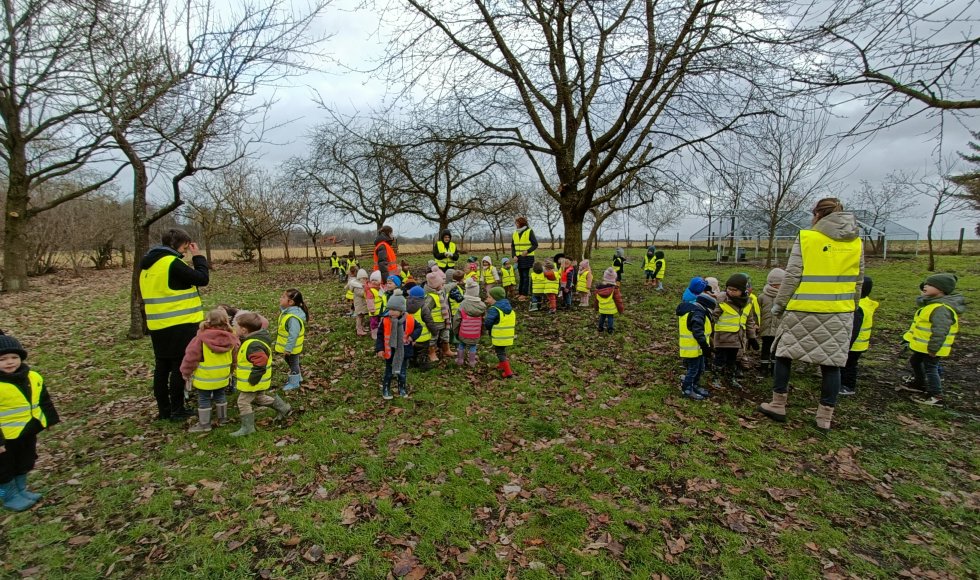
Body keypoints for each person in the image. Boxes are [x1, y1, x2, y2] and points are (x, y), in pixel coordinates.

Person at [758, 198, 864, 432]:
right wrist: (852, 307)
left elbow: (793, 275)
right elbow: (858, 279)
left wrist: (779, 305)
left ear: (817, 214)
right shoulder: (856, 242)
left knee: (784, 354)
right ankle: (824, 416)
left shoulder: (807, 238)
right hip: (840, 310)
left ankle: (778, 403)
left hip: (804, 307)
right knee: (832, 364)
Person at [139, 228, 209, 421]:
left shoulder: (148, 265)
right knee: (179, 366)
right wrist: (198, 257)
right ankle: (177, 409)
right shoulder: (171, 263)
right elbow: (202, 278)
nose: (186, 250)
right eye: (186, 246)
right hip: (180, 324)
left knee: (162, 367)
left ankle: (164, 409)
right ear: (182, 244)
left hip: (157, 324)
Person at [0, 333, 60, 512]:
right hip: (5, 438)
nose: (10, 362)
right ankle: (8, 496)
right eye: (2, 359)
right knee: (4, 468)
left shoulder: (32, 377)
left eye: (14, 357)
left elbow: (44, 400)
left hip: (27, 430)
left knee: (25, 460)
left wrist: (48, 420)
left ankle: (21, 490)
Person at [901, 273, 965, 406]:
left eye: (930, 285)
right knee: (915, 361)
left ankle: (936, 395)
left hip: (932, 348)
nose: (925, 286)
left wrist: (934, 348)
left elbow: (940, 330)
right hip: (922, 347)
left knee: (931, 368)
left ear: (941, 289)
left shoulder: (941, 309)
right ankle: (920, 383)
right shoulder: (931, 304)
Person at [230, 313, 291, 437]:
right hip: (259, 380)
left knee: (243, 402)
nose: (233, 328)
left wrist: (253, 379)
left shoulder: (253, 344)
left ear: (244, 330)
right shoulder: (254, 340)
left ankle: (248, 428)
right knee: (260, 398)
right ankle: (283, 408)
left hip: (253, 381)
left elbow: (261, 362)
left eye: (235, 326)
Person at [180, 308, 239, 432]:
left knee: (204, 399)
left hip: (204, 377)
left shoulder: (200, 339)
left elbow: (191, 357)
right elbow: (235, 358)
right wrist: (232, 370)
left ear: (208, 321)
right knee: (220, 395)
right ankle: (223, 419)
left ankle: (204, 424)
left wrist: (186, 372)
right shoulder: (232, 338)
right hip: (222, 376)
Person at [713, 273, 758, 389]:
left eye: (735, 290)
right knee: (719, 359)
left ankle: (730, 378)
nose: (731, 292)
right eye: (729, 289)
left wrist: (752, 337)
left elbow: (749, 321)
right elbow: (714, 317)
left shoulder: (748, 303)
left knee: (732, 360)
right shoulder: (722, 300)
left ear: (742, 290)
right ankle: (716, 378)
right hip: (722, 337)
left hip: (737, 338)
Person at [375, 292, 422, 399]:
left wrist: (412, 337)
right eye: (390, 309)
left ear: (401, 310)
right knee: (389, 372)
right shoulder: (385, 320)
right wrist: (380, 349)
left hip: (403, 351)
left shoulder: (409, 319)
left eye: (394, 310)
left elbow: (419, 328)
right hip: (389, 351)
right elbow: (380, 335)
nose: (391, 312)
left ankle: (402, 388)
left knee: (402, 372)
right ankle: (386, 388)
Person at [838, 276, 877, 396]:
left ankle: (848, 386)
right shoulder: (866, 303)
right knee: (850, 364)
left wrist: (846, 344)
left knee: (849, 365)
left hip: (853, 344)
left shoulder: (858, 307)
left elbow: (854, 328)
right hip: (859, 343)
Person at [676, 293, 717, 400]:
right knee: (693, 369)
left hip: (697, 348)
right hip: (692, 348)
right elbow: (697, 331)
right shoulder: (698, 314)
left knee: (700, 368)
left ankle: (694, 385)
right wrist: (705, 346)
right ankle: (687, 389)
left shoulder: (697, 311)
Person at [276, 288, 308, 392]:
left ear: (291, 302)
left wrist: (288, 349)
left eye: (283, 297)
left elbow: (293, 335)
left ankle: (294, 383)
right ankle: (298, 377)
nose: (280, 298)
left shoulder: (292, 318)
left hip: (292, 347)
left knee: (293, 363)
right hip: (289, 347)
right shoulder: (288, 313)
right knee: (291, 361)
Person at [453, 278, 487, 368]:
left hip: (463, 331)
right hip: (475, 332)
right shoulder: (482, 306)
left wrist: (455, 331)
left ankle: (460, 360)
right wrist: (482, 332)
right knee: (473, 346)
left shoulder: (463, 304)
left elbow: (457, 319)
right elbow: (484, 320)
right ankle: (472, 361)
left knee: (461, 344)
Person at [758, 268, 786, 375]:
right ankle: (763, 368)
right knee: (765, 348)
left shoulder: (784, 297)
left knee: (777, 350)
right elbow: (757, 312)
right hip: (766, 328)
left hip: (779, 329)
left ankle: (775, 369)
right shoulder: (762, 297)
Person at [485, 286, 516, 378]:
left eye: (489, 297)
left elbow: (488, 322)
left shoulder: (494, 309)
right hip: (508, 335)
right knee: (502, 351)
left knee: (500, 353)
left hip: (499, 336)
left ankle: (508, 372)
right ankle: (501, 365)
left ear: (495, 299)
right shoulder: (508, 307)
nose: (487, 299)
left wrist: (487, 328)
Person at [424, 270, 452, 361]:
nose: (443, 285)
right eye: (441, 284)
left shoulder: (442, 292)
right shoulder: (431, 297)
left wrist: (457, 282)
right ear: (436, 286)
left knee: (445, 335)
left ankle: (446, 349)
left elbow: (449, 286)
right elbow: (426, 310)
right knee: (433, 338)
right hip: (435, 322)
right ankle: (431, 353)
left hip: (445, 320)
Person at [406, 285, 435, 371]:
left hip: (410, 335)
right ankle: (423, 366)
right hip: (423, 336)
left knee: (412, 351)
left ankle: (411, 363)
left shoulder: (405, 304)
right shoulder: (424, 308)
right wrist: (434, 331)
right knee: (423, 353)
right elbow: (429, 322)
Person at [511, 216, 538, 300]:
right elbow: (513, 246)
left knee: (525, 276)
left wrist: (527, 251)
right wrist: (514, 255)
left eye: (517, 223)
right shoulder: (515, 233)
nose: (516, 224)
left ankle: (525, 294)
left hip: (527, 257)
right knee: (521, 276)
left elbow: (535, 244)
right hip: (518, 258)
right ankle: (520, 293)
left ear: (521, 223)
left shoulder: (529, 231)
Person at [594, 267, 625, 334]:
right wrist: (621, 309)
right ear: (614, 278)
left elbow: (596, 300)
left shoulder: (598, 289)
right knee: (610, 318)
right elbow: (618, 300)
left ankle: (600, 328)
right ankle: (610, 329)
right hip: (610, 308)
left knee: (602, 317)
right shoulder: (615, 290)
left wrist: (596, 307)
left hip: (602, 308)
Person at [349, 269, 369, 336]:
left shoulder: (362, 285)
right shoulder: (357, 286)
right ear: (359, 278)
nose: (365, 280)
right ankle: (359, 329)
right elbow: (361, 294)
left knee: (362, 316)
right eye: (364, 278)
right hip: (359, 305)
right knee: (359, 317)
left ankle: (362, 327)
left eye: (366, 278)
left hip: (362, 304)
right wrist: (367, 291)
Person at [367, 271, 386, 341]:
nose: (374, 282)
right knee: (374, 323)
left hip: (381, 310)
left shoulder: (381, 288)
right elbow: (369, 300)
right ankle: (374, 334)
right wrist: (371, 309)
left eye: (376, 280)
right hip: (374, 311)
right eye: (373, 280)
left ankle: (380, 333)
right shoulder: (370, 290)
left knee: (381, 322)